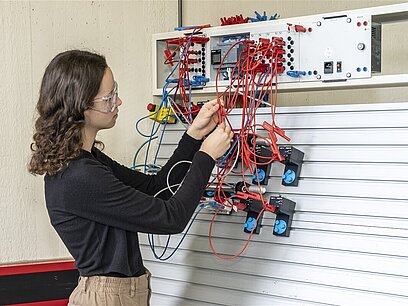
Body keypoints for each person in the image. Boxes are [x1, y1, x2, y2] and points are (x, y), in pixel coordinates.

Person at [28, 50, 233, 306]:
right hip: (105, 297)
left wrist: (193, 136)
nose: (119, 102)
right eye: (109, 97)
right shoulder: (79, 176)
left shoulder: (88, 162)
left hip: (121, 293)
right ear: (81, 106)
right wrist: (206, 157)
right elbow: (172, 218)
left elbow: (157, 188)